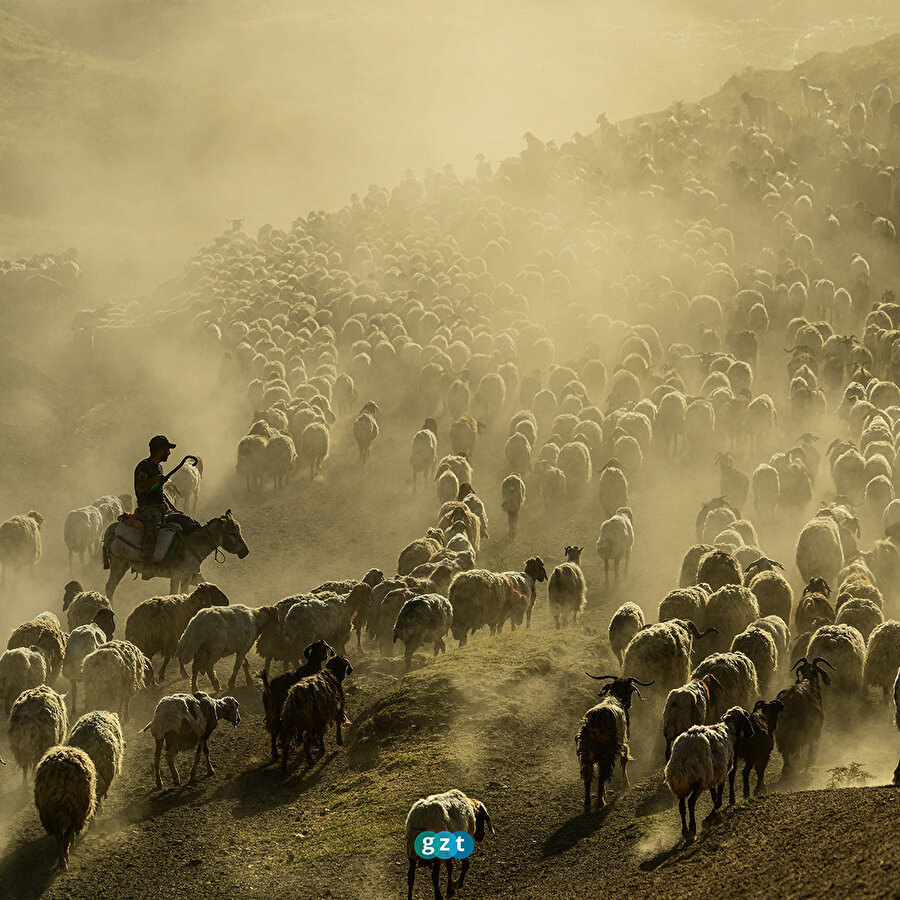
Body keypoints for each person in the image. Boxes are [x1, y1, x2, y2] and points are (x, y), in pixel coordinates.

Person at [134, 435, 178, 579]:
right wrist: (156, 480)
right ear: (160, 450)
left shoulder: (159, 467)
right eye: (167, 450)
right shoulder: (144, 467)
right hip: (147, 508)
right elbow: (140, 488)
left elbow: (159, 491)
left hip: (160, 506)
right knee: (153, 522)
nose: (169, 453)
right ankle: (146, 565)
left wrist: (174, 509)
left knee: (180, 521)